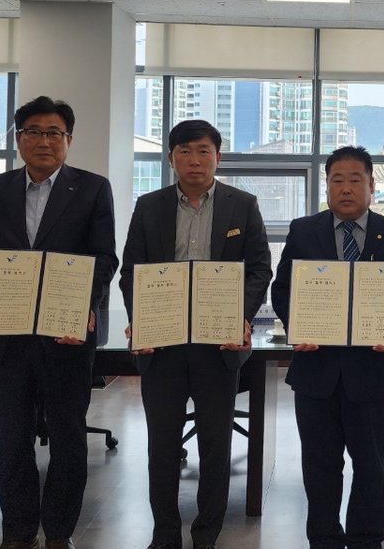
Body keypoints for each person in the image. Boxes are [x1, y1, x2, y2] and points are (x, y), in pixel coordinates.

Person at [0, 96, 118, 549]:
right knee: (13, 439)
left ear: (69, 140)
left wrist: (84, 305)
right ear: (19, 139)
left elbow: (103, 257)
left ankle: (59, 532)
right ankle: (18, 531)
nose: (43, 141)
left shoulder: (92, 188)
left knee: (68, 437)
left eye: (54, 133)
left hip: (65, 334)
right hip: (5, 335)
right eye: (33, 132)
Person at [118, 119, 272, 549]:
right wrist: (141, 317)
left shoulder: (243, 205)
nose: (194, 160)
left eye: (203, 151)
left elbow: (260, 269)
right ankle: (165, 533)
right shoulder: (149, 206)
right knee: (162, 446)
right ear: (171, 159)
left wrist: (240, 316)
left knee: (215, 445)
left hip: (218, 344)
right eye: (184, 151)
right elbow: (131, 271)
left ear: (218, 157)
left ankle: (207, 534)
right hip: (162, 344)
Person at [271, 146, 384, 549]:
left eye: (355, 180)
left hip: (373, 370)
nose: (346, 188)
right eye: (337, 180)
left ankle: (366, 539)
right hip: (315, 370)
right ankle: (323, 537)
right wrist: (296, 326)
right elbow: (283, 289)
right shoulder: (303, 231)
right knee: (319, 465)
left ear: (372, 185)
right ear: (327, 186)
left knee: (371, 466)